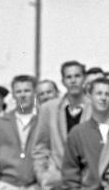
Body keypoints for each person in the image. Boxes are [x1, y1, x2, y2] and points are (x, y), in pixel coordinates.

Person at [32, 61, 90, 190]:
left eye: (77, 76)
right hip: (57, 180)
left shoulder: (94, 108)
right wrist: (43, 176)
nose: (73, 81)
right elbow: (41, 147)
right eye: (69, 77)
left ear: (84, 78)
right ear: (63, 81)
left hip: (87, 180)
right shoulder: (50, 108)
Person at [0, 75, 41, 190]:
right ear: (13, 95)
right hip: (7, 185)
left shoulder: (43, 120)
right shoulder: (0, 123)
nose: (23, 95)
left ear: (34, 92)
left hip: (36, 185)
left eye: (27, 91)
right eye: (19, 92)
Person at [60, 79, 109, 190]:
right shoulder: (78, 132)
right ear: (89, 96)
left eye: (107, 94)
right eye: (99, 93)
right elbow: (70, 173)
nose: (103, 98)